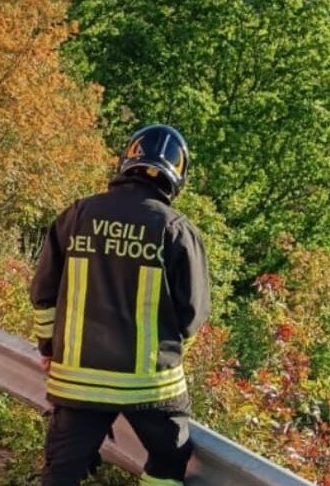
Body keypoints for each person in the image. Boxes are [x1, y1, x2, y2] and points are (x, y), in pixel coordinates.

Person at [30, 124, 211, 486]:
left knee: (62, 471)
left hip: (77, 383)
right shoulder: (175, 229)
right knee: (169, 458)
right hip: (150, 388)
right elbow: (192, 317)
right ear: (178, 175)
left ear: (126, 160)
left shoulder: (78, 215)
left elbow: (43, 295)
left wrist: (49, 349)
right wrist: (171, 358)